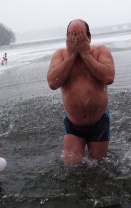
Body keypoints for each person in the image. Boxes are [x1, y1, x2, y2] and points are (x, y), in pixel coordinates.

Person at [47, 19, 115, 165]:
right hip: (73, 123)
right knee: (71, 168)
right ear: (67, 39)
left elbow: (108, 77)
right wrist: (71, 56)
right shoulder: (60, 55)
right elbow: (53, 82)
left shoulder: (100, 52)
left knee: (99, 168)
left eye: (80, 36)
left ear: (89, 37)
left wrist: (85, 54)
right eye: (72, 36)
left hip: (99, 121)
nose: (76, 40)